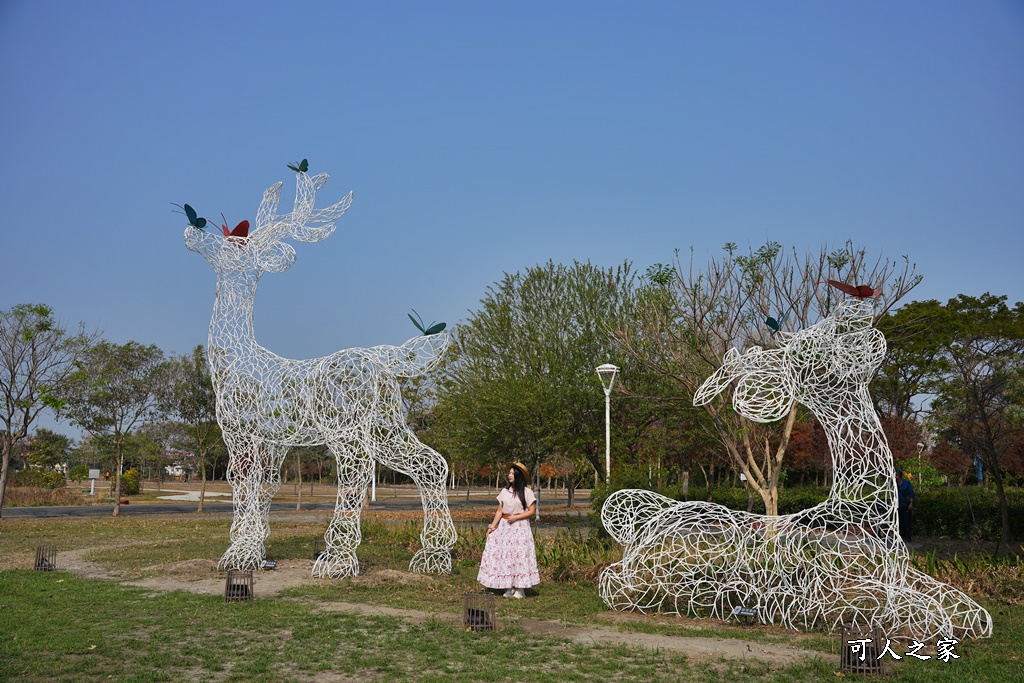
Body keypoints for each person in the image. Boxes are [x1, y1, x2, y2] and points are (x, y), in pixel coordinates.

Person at [477, 461, 540, 598]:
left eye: (512, 473)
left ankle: (520, 588)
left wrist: (517, 517)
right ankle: (508, 586)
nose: (510, 475)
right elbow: (500, 510)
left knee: (519, 555)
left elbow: (532, 511)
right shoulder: (505, 492)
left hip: (520, 527)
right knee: (506, 556)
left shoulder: (527, 492)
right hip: (506, 527)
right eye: (509, 473)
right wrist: (492, 527)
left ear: (518, 476)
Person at [895, 471, 916, 543]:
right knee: (901, 522)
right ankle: (902, 536)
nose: (895, 476)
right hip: (898, 505)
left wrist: (911, 503)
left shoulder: (906, 483)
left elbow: (911, 493)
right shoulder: (895, 484)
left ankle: (908, 537)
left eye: (896, 475)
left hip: (906, 505)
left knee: (907, 522)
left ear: (899, 476)